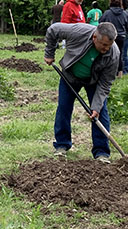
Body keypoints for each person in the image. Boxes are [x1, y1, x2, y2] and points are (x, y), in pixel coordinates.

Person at [44, 22, 120, 164]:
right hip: (70, 76)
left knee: (100, 113)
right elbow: (53, 30)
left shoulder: (113, 54)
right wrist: (49, 53)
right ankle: (62, 145)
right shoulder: (78, 32)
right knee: (64, 108)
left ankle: (102, 152)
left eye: (109, 45)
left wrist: (96, 107)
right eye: (104, 45)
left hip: (94, 81)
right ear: (94, 37)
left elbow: (105, 84)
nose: (107, 49)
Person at [99, 0, 128, 77]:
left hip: (109, 36)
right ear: (120, 3)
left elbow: (101, 22)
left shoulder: (107, 13)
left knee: (106, 54)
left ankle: (107, 72)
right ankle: (120, 73)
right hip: (121, 37)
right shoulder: (125, 13)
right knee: (120, 54)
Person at [119, 0, 128, 75]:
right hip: (126, 35)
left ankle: (125, 70)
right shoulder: (127, 13)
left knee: (123, 53)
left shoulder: (125, 13)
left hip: (125, 35)